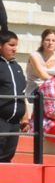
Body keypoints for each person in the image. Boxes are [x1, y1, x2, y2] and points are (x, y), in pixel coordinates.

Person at [0, 30, 25, 163]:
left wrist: (24, 115)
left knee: (8, 155)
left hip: (15, 122)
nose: (14, 49)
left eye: (16, 45)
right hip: (1, 119)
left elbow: (21, 92)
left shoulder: (17, 67)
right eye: (11, 45)